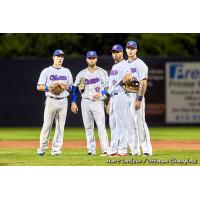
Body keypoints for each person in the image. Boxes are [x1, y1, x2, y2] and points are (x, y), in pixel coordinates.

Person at [71, 51, 109, 156]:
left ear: (96, 59)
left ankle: (105, 149)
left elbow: (108, 88)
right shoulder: (81, 73)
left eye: (93, 58)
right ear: (86, 59)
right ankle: (91, 149)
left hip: (98, 102)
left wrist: (102, 94)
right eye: (89, 58)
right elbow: (75, 88)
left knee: (101, 126)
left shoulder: (102, 72)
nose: (91, 59)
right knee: (88, 126)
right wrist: (73, 102)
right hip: (85, 101)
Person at [36, 49, 73, 156]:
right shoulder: (46, 71)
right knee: (47, 125)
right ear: (53, 57)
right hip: (51, 100)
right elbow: (39, 86)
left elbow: (71, 87)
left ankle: (56, 150)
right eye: (58, 56)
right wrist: (50, 87)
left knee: (60, 126)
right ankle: (42, 148)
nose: (60, 58)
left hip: (63, 101)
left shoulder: (67, 71)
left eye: (62, 56)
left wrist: (64, 86)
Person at [106, 44, 136, 156]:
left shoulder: (124, 64)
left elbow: (128, 76)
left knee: (121, 124)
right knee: (113, 124)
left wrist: (126, 79)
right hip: (113, 97)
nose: (115, 54)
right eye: (113, 52)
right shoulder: (115, 66)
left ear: (122, 53)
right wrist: (109, 101)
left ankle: (123, 150)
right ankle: (113, 149)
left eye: (117, 52)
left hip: (121, 96)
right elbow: (111, 86)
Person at [125, 41, 153, 156]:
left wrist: (140, 99)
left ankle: (146, 149)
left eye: (133, 48)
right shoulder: (123, 64)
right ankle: (134, 150)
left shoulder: (141, 64)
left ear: (136, 50)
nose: (130, 50)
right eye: (128, 48)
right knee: (129, 124)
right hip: (126, 96)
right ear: (126, 50)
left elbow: (144, 83)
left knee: (140, 123)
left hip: (136, 95)